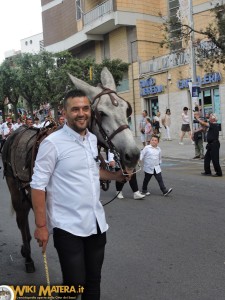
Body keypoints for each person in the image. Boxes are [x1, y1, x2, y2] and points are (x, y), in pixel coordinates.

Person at [30, 89, 128, 300]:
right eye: (75, 109)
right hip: (68, 226)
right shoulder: (52, 144)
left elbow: (93, 170)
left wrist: (116, 176)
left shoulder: (92, 140)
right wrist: (41, 226)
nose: (81, 113)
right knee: (74, 284)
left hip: (96, 224)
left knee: (94, 281)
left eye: (85, 108)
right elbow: (38, 186)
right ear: (64, 113)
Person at [196, 113, 223, 177]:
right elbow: (204, 129)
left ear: (214, 119)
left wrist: (197, 119)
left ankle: (219, 173)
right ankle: (207, 172)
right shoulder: (211, 125)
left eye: (210, 117)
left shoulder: (214, 124)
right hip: (211, 144)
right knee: (207, 158)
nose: (209, 118)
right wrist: (198, 125)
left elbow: (204, 124)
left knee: (215, 159)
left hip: (214, 144)